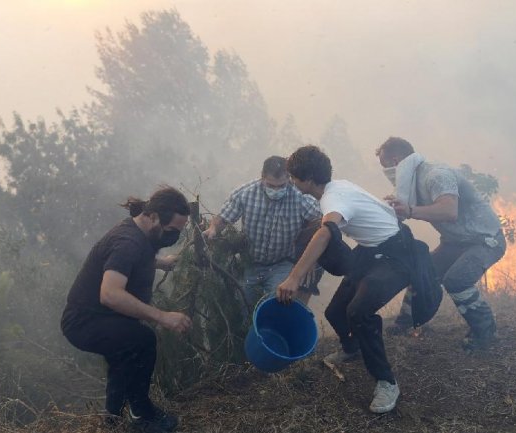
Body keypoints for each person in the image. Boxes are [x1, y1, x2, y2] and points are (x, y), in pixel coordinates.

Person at [276, 145, 419, 414]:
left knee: (359, 313)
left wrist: (293, 278)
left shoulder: (333, 198)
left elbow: (326, 232)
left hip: (396, 255)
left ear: (307, 179)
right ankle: (351, 347)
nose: (293, 183)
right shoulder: (336, 189)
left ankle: (387, 382)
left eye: (295, 178)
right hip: (371, 250)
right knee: (335, 312)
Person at [61, 187, 193, 432]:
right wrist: (162, 316)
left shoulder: (141, 233)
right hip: (85, 321)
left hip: (103, 318)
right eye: (172, 231)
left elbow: (137, 258)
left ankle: (113, 423)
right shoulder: (127, 242)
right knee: (142, 341)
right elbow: (110, 294)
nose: (173, 237)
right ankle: (141, 414)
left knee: (124, 357)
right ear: (153, 217)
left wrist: (161, 262)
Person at [376, 136, 506, 350]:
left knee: (457, 281)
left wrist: (409, 211)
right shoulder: (412, 181)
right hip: (455, 241)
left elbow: (449, 211)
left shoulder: (436, 175)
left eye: (385, 167)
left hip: (484, 240)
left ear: (396, 161)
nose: (386, 173)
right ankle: (406, 323)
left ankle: (486, 334)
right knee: (422, 272)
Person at [203, 156, 321, 308]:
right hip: (250, 263)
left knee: (279, 303)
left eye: (281, 186)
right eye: (271, 186)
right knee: (243, 305)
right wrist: (213, 228)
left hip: (281, 263)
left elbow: (319, 222)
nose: (276, 191)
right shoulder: (245, 193)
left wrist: (308, 251)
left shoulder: (299, 196)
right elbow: (223, 218)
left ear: (288, 179)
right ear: (262, 177)